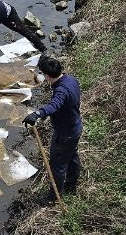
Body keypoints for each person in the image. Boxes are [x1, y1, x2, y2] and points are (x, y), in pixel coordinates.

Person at [24, 54, 82, 203]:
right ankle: (72, 183)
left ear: (47, 76)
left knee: (58, 165)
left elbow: (55, 104)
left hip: (65, 133)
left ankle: (54, 196)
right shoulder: (70, 79)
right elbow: (60, 105)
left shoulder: (61, 90)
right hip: (75, 126)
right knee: (72, 156)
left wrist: (37, 114)